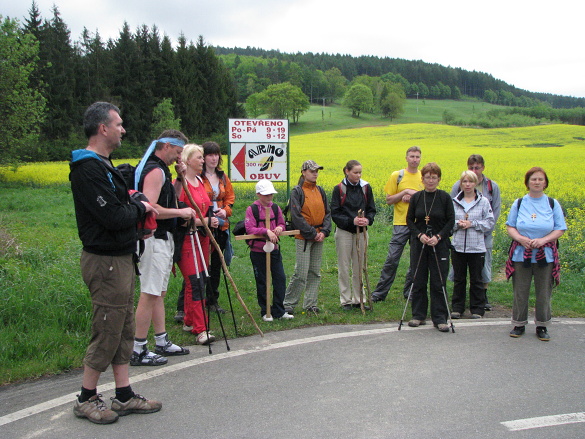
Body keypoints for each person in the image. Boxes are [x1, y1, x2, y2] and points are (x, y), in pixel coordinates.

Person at [69, 102, 161, 424]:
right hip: (104, 261)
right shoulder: (87, 169)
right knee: (107, 329)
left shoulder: (104, 165)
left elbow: (123, 207)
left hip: (120, 259)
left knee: (122, 328)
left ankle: (123, 395)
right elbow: (113, 215)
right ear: (102, 128)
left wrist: (133, 205)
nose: (123, 129)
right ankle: (86, 398)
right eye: (119, 124)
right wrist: (141, 207)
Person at [131, 130, 193, 366]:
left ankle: (161, 340)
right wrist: (181, 212)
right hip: (153, 237)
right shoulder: (155, 170)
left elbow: (171, 200)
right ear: (166, 146)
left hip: (163, 236)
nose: (178, 158)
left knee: (159, 292)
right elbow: (150, 206)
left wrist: (179, 178)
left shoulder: (162, 170)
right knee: (149, 293)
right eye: (177, 152)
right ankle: (138, 348)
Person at [505, 167, 566, 341]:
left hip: (544, 255)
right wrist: (521, 239)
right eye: (533, 179)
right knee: (520, 291)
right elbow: (510, 226)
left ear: (545, 183)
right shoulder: (519, 203)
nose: (537, 182)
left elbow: (560, 228)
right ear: (527, 182)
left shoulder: (552, 204)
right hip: (521, 254)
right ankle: (518, 323)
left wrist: (544, 240)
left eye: (540, 179)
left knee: (543, 291)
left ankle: (542, 326)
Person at [175, 144, 219, 345]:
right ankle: (201, 329)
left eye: (203, 157)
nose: (203, 161)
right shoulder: (182, 184)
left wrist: (211, 220)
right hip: (187, 239)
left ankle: (189, 320)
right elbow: (182, 218)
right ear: (188, 160)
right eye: (199, 157)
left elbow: (205, 208)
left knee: (201, 278)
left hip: (202, 238)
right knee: (195, 282)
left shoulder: (200, 181)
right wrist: (207, 221)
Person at [406, 162, 455, 332]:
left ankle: (440, 318)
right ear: (423, 179)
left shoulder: (445, 197)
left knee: (438, 281)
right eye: (428, 177)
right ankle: (418, 315)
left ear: (439, 179)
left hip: (439, 245)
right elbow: (409, 220)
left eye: (434, 177)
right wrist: (419, 235)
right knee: (418, 279)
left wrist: (439, 236)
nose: (431, 180)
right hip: (420, 244)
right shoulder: (417, 197)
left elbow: (451, 221)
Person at [372, 146, 422, 302]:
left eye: (417, 157)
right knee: (392, 259)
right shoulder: (397, 176)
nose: (415, 159)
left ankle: (410, 292)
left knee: (416, 261)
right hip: (400, 223)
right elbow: (388, 200)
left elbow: (429, 200)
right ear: (406, 158)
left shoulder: (423, 177)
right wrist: (403, 193)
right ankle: (379, 294)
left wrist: (412, 195)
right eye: (412, 156)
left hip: (418, 225)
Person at [450, 154, 500, 310]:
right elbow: (450, 213)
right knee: (459, 274)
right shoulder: (456, 188)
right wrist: (459, 224)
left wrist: (478, 227)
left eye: (477, 167)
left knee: (481, 270)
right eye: (471, 168)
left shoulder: (491, 187)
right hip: (460, 240)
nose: (474, 170)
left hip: (482, 237)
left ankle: (481, 300)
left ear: (483, 168)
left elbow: (495, 212)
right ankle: (459, 304)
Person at [283, 160, 332, 315]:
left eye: (317, 171)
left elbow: (327, 212)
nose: (315, 173)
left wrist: (324, 231)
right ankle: (288, 303)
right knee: (301, 272)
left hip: (319, 235)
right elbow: (296, 216)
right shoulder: (297, 191)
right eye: (312, 171)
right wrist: (312, 233)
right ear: (303, 172)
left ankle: (310, 304)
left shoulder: (320, 190)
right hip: (303, 237)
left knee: (315, 272)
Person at [330, 160, 376, 310]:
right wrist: (352, 220)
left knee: (359, 266)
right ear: (347, 171)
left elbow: (371, 209)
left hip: (361, 232)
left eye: (360, 172)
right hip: (344, 231)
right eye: (355, 172)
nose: (358, 175)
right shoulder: (339, 189)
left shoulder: (366, 187)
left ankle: (359, 298)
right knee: (343, 266)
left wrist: (367, 220)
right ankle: (346, 300)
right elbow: (335, 213)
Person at [245, 179, 293, 322]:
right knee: (262, 280)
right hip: (258, 251)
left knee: (280, 278)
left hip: (274, 249)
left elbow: (281, 223)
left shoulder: (275, 208)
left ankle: (279, 310)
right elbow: (250, 228)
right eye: (266, 195)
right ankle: (265, 310)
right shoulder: (251, 209)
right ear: (258, 194)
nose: (269, 198)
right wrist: (266, 231)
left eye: (271, 194)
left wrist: (279, 228)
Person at [201, 141, 235, 314]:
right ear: (203, 157)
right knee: (199, 263)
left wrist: (225, 210)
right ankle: (185, 305)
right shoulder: (198, 176)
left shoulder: (222, 176)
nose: (214, 158)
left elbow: (230, 197)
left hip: (221, 226)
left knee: (216, 264)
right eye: (210, 155)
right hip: (203, 225)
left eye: (216, 155)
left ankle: (212, 300)